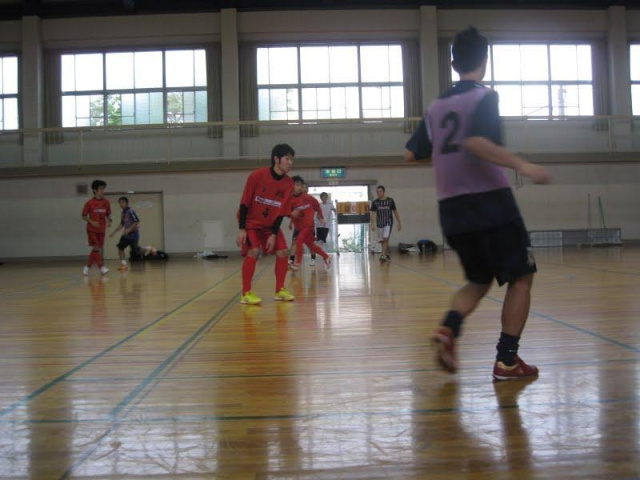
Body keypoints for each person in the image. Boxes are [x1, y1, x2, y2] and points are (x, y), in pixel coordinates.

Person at [404, 27, 551, 381]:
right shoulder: (485, 96)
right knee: (521, 277)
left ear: (453, 63)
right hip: (490, 203)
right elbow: (476, 141)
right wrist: (523, 165)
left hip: (452, 209)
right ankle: (507, 361)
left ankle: (448, 328)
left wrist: (445, 158)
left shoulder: (435, 107)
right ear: (484, 61)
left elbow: (411, 154)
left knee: (478, 280)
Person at [236, 144, 299, 305]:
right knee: (254, 251)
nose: (290, 163)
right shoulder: (257, 176)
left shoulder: (289, 183)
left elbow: (282, 211)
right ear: (276, 159)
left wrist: (274, 234)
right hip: (251, 224)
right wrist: (242, 228)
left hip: (270, 226)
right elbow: (244, 203)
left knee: (283, 252)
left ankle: (280, 290)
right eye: (287, 159)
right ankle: (246, 293)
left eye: (292, 159)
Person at [289, 177, 331, 270]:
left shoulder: (308, 198)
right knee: (311, 246)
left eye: (301, 185)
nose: (300, 187)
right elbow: (288, 212)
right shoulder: (290, 199)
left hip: (308, 226)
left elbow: (317, 206)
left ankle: (298, 263)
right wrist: (291, 217)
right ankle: (326, 256)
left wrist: (322, 217)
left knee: (299, 241)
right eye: (297, 185)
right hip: (299, 227)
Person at [82, 179, 112, 276]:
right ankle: (101, 267)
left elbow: (108, 214)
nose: (102, 191)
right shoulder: (89, 203)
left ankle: (87, 267)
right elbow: (84, 216)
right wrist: (92, 222)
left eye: (103, 189)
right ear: (95, 190)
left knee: (96, 249)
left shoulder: (106, 202)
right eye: (100, 189)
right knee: (96, 247)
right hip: (92, 229)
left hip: (102, 229)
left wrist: (110, 220)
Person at [370, 186, 402, 262]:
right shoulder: (375, 202)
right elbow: (373, 214)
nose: (379, 193)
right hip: (379, 223)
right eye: (377, 192)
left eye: (380, 191)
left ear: (384, 192)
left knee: (385, 238)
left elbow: (395, 211)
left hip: (388, 223)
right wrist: (373, 224)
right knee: (382, 240)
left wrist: (399, 222)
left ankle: (382, 255)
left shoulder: (390, 201)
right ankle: (386, 253)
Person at [109, 196, 140, 271]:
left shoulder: (131, 211)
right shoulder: (123, 213)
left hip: (133, 234)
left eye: (122, 202)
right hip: (126, 235)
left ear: (126, 203)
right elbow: (122, 224)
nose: (121, 204)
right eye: (119, 203)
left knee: (136, 251)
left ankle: (149, 248)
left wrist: (129, 229)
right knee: (120, 248)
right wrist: (114, 232)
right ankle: (124, 264)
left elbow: (137, 221)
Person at [310, 192, 336, 266]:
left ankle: (322, 256)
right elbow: (317, 215)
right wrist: (320, 219)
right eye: (323, 197)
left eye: (325, 197)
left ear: (327, 197)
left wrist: (336, 211)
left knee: (320, 241)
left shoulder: (330, 205)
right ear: (321, 198)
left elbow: (334, 210)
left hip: (326, 225)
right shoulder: (319, 205)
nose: (324, 198)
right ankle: (319, 257)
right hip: (319, 225)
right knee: (319, 241)